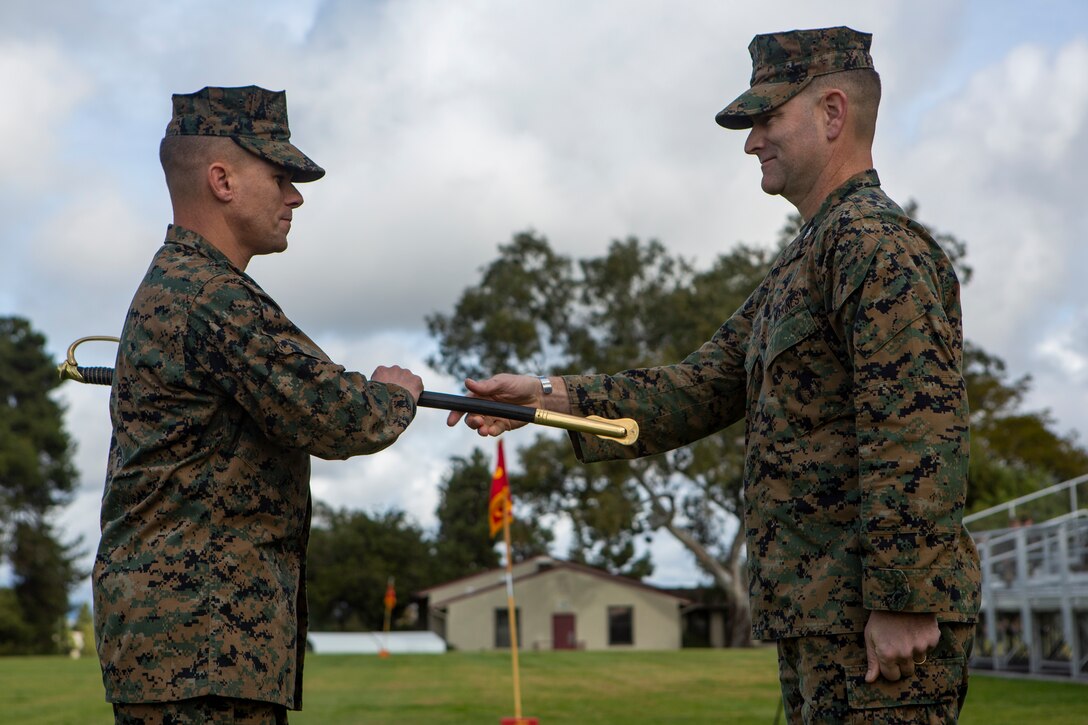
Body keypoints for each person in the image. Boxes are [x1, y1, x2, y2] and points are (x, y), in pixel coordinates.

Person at [451, 28, 981, 722]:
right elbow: (696, 387)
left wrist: (906, 597)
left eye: (767, 118)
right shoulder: (805, 261)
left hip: (877, 631)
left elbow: (916, 428)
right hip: (822, 621)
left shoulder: (873, 246)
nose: (751, 141)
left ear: (832, 114)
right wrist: (544, 398)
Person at [93, 85, 424, 724]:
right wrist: (395, 391)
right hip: (201, 647)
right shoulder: (212, 297)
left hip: (185, 646)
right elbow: (342, 417)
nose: (295, 196)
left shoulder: (186, 286)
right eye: (280, 176)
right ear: (222, 179)